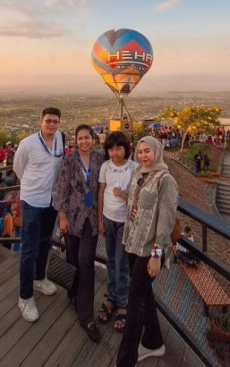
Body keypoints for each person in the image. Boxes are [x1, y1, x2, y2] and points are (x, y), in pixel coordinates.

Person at [116, 137, 178, 367]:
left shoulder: (166, 180)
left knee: (134, 303)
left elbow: (166, 221)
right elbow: (137, 202)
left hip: (149, 252)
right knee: (144, 294)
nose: (143, 155)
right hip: (133, 244)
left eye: (147, 151)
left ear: (157, 152)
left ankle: (125, 360)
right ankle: (153, 341)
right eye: (140, 151)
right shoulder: (140, 173)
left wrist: (156, 256)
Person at [13, 107, 65, 323]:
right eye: (48, 121)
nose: (51, 125)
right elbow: (18, 168)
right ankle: (25, 296)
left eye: (55, 121)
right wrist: (32, 186)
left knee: (45, 243)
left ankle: (39, 277)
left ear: (59, 123)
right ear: (40, 121)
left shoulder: (61, 139)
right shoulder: (27, 143)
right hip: (32, 201)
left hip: (51, 201)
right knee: (28, 249)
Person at [55, 124, 104, 342]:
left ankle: (87, 316)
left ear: (93, 139)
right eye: (80, 138)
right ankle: (73, 291)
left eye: (87, 137)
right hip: (73, 216)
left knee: (86, 262)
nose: (84, 141)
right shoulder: (69, 160)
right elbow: (62, 189)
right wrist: (62, 216)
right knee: (73, 258)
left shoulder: (99, 159)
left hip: (91, 219)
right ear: (75, 140)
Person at [97, 131, 137, 332]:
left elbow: (139, 197)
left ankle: (123, 302)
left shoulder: (134, 168)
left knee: (121, 263)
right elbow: (101, 192)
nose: (115, 153)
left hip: (125, 222)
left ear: (126, 148)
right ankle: (112, 296)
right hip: (108, 219)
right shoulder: (105, 167)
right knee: (111, 259)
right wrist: (100, 221)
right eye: (111, 149)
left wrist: (122, 195)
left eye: (118, 148)